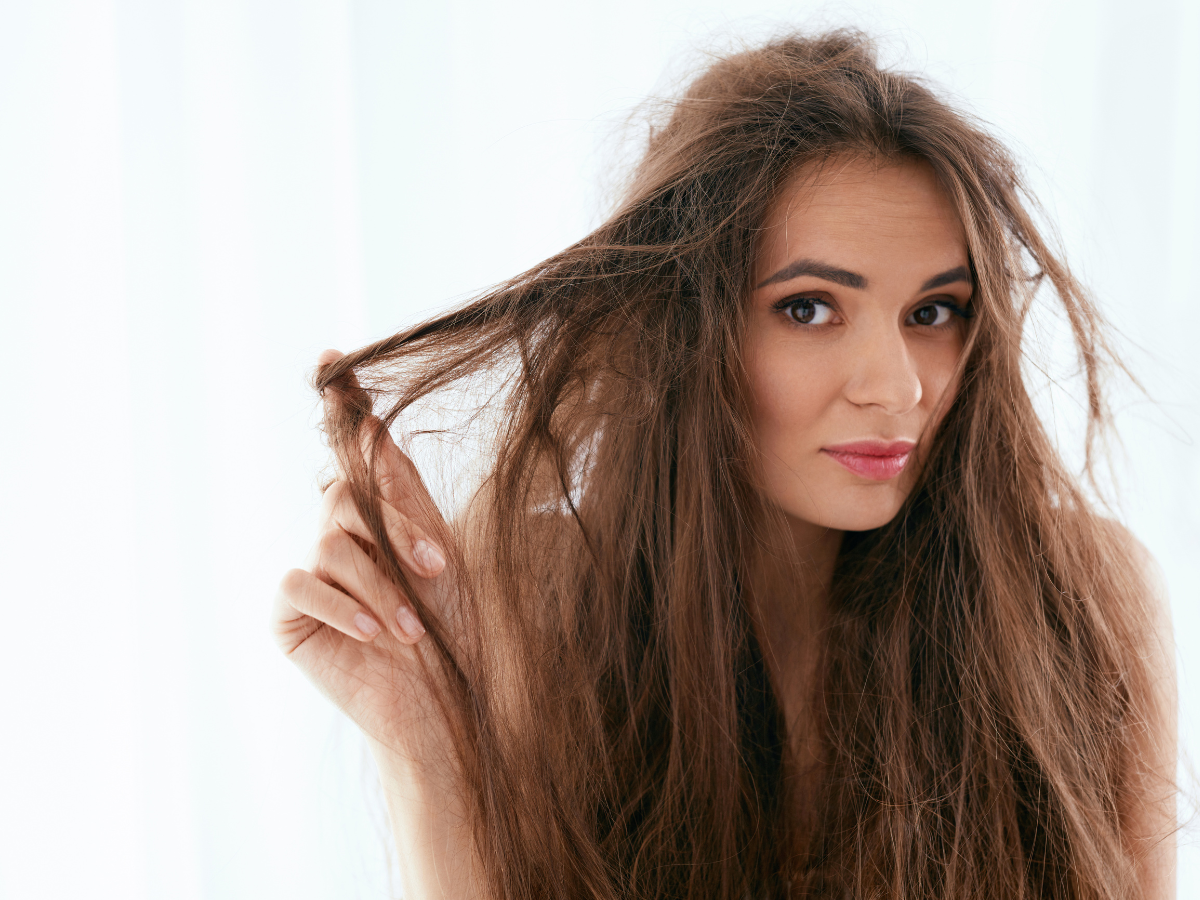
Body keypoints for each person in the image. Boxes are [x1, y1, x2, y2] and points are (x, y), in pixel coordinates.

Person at [271, 30, 1176, 899]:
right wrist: (428, 748)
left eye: (933, 312)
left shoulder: (1081, 601)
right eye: (811, 308)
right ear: (682, 329)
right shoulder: (533, 601)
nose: (898, 389)